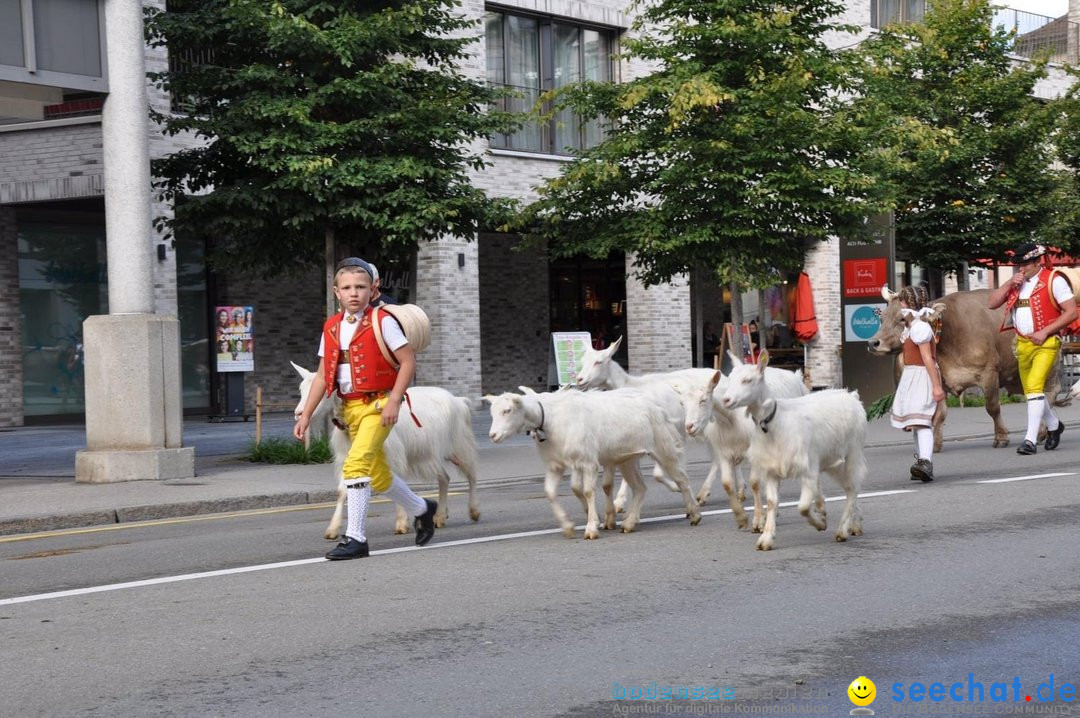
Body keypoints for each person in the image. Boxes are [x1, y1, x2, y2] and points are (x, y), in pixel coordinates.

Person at [293, 256, 437, 560]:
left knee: (355, 465)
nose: (354, 293)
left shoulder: (383, 322)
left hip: (379, 404)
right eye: (347, 287)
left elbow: (408, 362)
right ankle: (423, 509)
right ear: (337, 293)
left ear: (374, 289)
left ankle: (356, 538)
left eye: (360, 286)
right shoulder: (331, 327)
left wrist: (395, 401)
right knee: (380, 476)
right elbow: (322, 375)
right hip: (349, 409)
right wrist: (306, 413)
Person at [988, 242, 1078, 455]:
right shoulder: (1017, 283)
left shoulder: (1053, 280)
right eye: (1019, 264)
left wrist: (1045, 331)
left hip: (1046, 343)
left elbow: (1071, 312)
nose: (1022, 268)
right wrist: (1010, 282)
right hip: (1022, 343)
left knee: (1035, 387)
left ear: (1038, 262)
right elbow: (992, 303)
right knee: (1031, 392)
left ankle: (1029, 440)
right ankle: (1055, 425)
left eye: (1026, 263)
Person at [888, 285, 946, 482]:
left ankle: (925, 461)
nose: (901, 305)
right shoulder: (912, 326)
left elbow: (928, 358)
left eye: (902, 301)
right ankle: (921, 459)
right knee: (915, 422)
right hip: (912, 375)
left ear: (907, 303)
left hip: (922, 376)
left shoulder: (920, 327)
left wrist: (937, 387)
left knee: (922, 422)